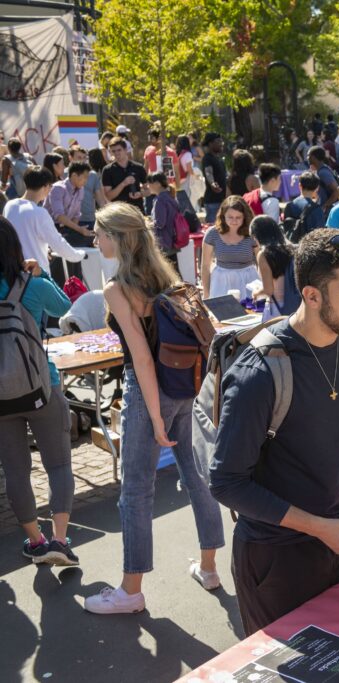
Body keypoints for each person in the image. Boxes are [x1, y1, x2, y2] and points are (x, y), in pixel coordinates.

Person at [209, 228, 339, 634]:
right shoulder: (260, 370)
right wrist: (320, 528)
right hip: (278, 563)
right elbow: (225, 482)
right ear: (312, 296)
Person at [84, 203, 225, 614]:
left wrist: (155, 415)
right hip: (184, 385)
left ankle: (131, 590)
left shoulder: (118, 288)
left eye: (99, 234)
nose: (95, 241)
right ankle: (210, 567)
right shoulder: (165, 276)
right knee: (196, 476)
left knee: (135, 491)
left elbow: (141, 359)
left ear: (118, 238)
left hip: (150, 393)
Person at [0, 219, 75, 565]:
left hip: (1, 399)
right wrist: (41, 273)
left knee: (16, 470)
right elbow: (63, 308)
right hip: (43, 386)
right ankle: (59, 540)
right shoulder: (29, 282)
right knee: (58, 464)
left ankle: (36, 542)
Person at [4, 166, 83, 275]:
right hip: (35, 274)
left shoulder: (10, 205)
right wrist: (79, 255)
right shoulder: (39, 213)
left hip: (12, 271)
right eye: (50, 186)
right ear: (45, 186)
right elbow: (58, 243)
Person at [201, 196, 258, 298]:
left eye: (238, 217)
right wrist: (206, 293)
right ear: (223, 216)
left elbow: (261, 262)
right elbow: (205, 266)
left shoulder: (252, 233)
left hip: (248, 281)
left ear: (244, 217)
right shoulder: (212, 233)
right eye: (230, 217)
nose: (234, 221)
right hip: (220, 282)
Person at [250, 215, 295, 319]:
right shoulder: (291, 248)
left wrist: (256, 292)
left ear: (258, 235)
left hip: (276, 308)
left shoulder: (264, 254)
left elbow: (268, 290)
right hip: (295, 304)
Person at [145, 171, 184, 266]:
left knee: (170, 274)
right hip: (172, 240)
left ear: (157, 184)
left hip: (163, 242)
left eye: (150, 183)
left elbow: (160, 223)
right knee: (174, 272)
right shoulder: (170, 196)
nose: (148, 186)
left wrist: (147, 224)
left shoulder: (160, 200)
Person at [101, 137, 147, 212]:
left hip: (137, 211)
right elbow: (108, 196)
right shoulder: (107, 170)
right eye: (113, 151)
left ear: (125, 150)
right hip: (118, 212)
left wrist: (140, 194)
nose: (116, 153)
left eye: (119, 150)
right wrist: (123, 183)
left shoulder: (138, 167)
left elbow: (148, 190)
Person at [281, 171, 325, 240]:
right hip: (308, 247)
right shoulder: (317, 209)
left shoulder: (289, 206)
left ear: (300, 186)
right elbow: (320, 235)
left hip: (292, 246)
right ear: (317, 188)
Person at [80, 148, 109, 231]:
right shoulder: (64, 174)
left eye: (84, 157)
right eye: (79, 157)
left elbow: (101, 198)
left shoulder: (93, 175)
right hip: (72, 220)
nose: (82, 160)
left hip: (90, 217)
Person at [201, 133, 227, 221]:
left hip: (222, 200)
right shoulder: (207, 158)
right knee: (213, 229)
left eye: (221, 141)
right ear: (210, 143)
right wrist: (212, 183)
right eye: (218, 141)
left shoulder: (219, 159)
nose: (221, 143)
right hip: (212, 201)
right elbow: (208, 172)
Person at [309, 146, 339, 212]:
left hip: (328, 211)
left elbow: (337, 191)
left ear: (314, 157)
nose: (307, 158)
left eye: (309, 156)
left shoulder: (323, 172)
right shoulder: (320, 170)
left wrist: (325, 205)